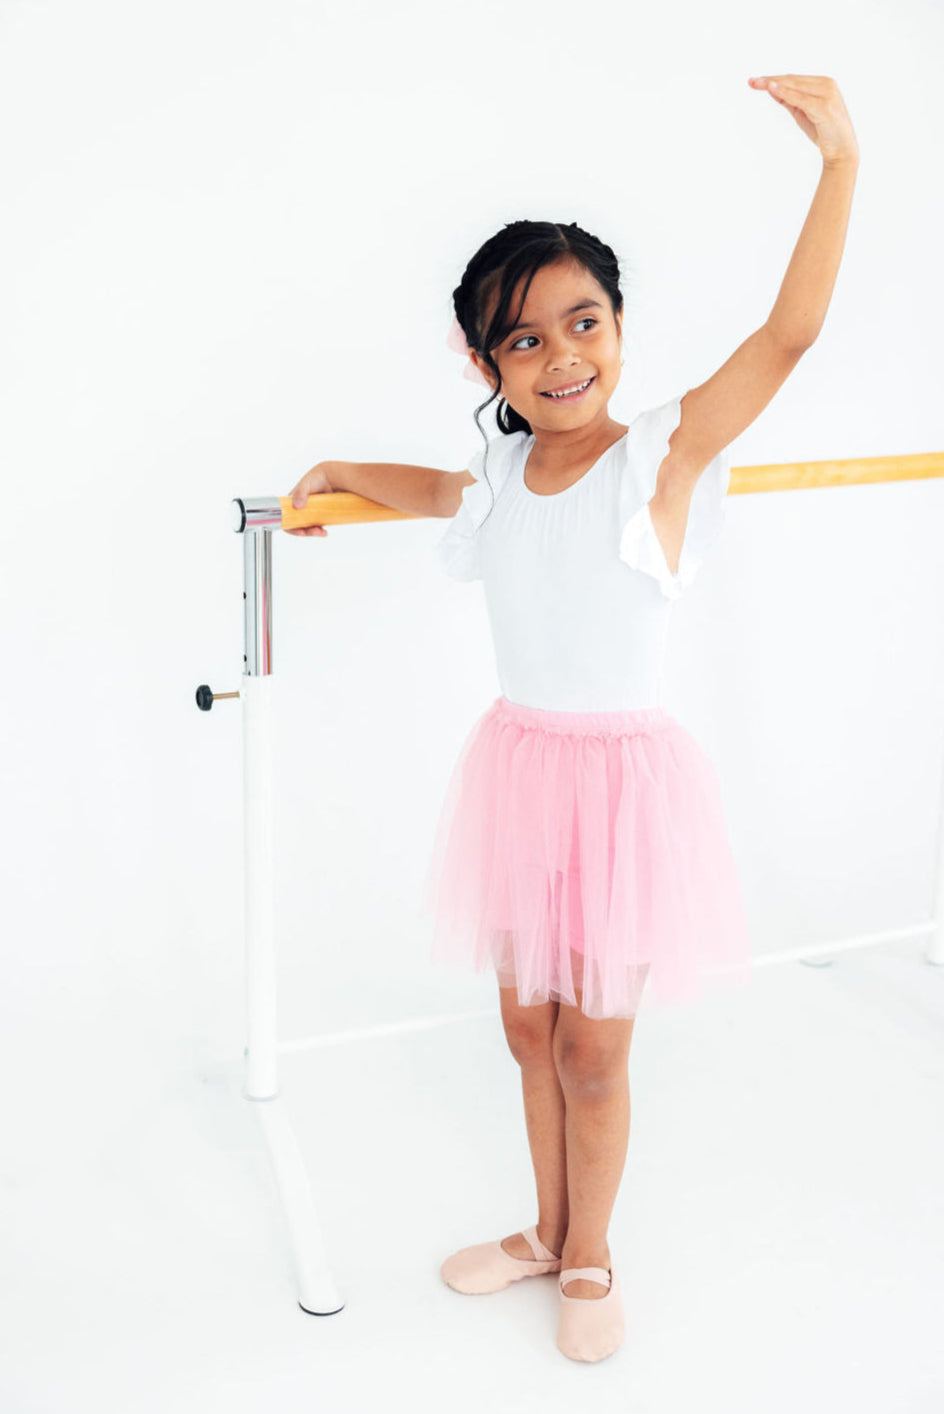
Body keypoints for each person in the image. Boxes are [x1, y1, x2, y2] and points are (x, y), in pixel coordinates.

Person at [285, 74, 860, 1363]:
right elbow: (441, 484)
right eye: (525, 341)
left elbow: (788, 338)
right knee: (523, 1027)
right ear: (488, 363)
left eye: (582, 322)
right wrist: (336, 470)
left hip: (619, 792)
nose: (562, 358)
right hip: (519, 773)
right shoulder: (500, 465)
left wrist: (837, 164)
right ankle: (543, 1234)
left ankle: (592, 1255)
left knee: (596, 1051)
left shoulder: (661, 454)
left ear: (619, 325)